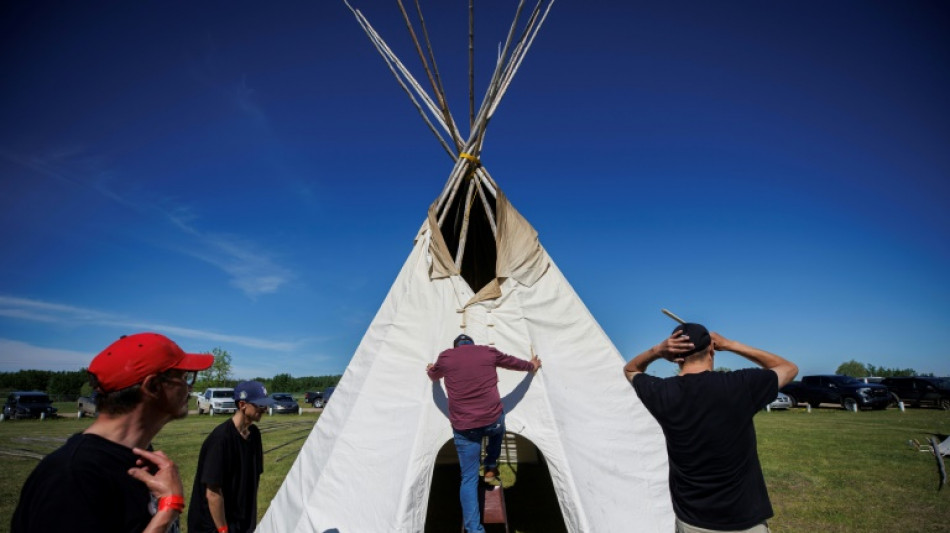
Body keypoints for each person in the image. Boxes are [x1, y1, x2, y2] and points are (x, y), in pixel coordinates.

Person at [12, 332, 214, 533]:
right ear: (153, 386)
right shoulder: (72, 476)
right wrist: (168, 510)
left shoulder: (139, 458)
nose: (190, 387)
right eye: (184, 377)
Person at [624, 322, 798, 533]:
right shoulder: (740, 385)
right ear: (712, 349)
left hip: (692, 521)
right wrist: (732, 344)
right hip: (744, 520)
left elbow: (631, 369)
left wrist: (657, 351)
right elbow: (789, 368)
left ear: (676, 356)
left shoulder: (661, 392)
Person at [426, 334, 541, 533]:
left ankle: (475, 530)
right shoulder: (488, 352)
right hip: (491, 419)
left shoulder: (446, 357)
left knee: (469, 478)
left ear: (456, 347)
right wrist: (531, 366)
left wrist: (430, 370)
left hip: (465, 426)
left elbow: (434, 376)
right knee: (498, 427)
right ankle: (490, 463)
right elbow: (512, 362)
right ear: (471, 343)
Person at [188, 380, 275, 533]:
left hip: (240, 523)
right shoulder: (221, 439)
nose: (265, 409)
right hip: (214, 526)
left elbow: (253, 480)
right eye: (260, 405)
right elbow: (213, 493)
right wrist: (223, 530)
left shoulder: (254, 435)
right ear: (242, 405)